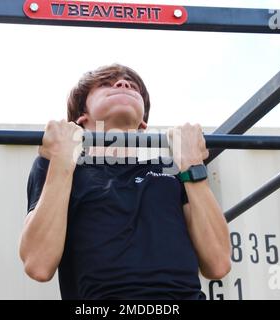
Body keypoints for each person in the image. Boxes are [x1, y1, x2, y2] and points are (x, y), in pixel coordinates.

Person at [19, 64, 231, 299]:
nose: (124, 84)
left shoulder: (173, 170)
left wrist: (192, 163)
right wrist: (61, 158)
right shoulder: (61, 167)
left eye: (133, 85)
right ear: (82, 115)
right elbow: (38, 265)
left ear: (143, 124)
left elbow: (218, 263)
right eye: (106, 84)